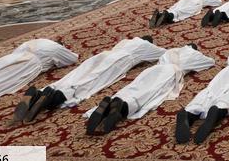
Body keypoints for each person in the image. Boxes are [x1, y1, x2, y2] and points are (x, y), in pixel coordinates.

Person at [13, 36, 164, 124]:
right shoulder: (146, 46)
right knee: (90, 81)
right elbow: (162, 54)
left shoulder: (125, 41)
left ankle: (42, 92)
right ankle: (55, 98)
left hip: (103, 55)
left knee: (76, 75)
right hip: (118, 61)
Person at [85, 44, 214, 136]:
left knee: (134, 87)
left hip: (151, 70)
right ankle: (123, 106)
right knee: (146, 94)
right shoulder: (194, 55)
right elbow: (210, 62)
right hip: (169, 73)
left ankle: (114, 101)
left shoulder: (171, 51)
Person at [149, 0, 224, 28]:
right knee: (184, 11)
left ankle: (161, 15)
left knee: (175, 7)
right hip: (196, 3)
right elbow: (219, 2)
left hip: (185, 0)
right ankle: (169, 16)